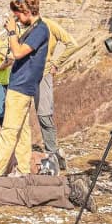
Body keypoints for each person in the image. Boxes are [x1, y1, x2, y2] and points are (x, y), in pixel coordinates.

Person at [0, 0, 50, 177]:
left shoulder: (40, 29)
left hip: (21, 87)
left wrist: (13, 31)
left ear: (28, 11)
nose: (17, 19)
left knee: (8, 131)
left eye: (18, 15)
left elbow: (19, 52)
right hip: (21, 85)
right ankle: (23, 170)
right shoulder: (34, 29)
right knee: (23, 132)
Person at [36, 15, 76, 169]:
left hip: (43, 74)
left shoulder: (48, 24)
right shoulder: (23, 26)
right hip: (26, 76)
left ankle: (53, 154)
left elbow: (72, 43)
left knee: (44, 115)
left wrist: (56, 63)